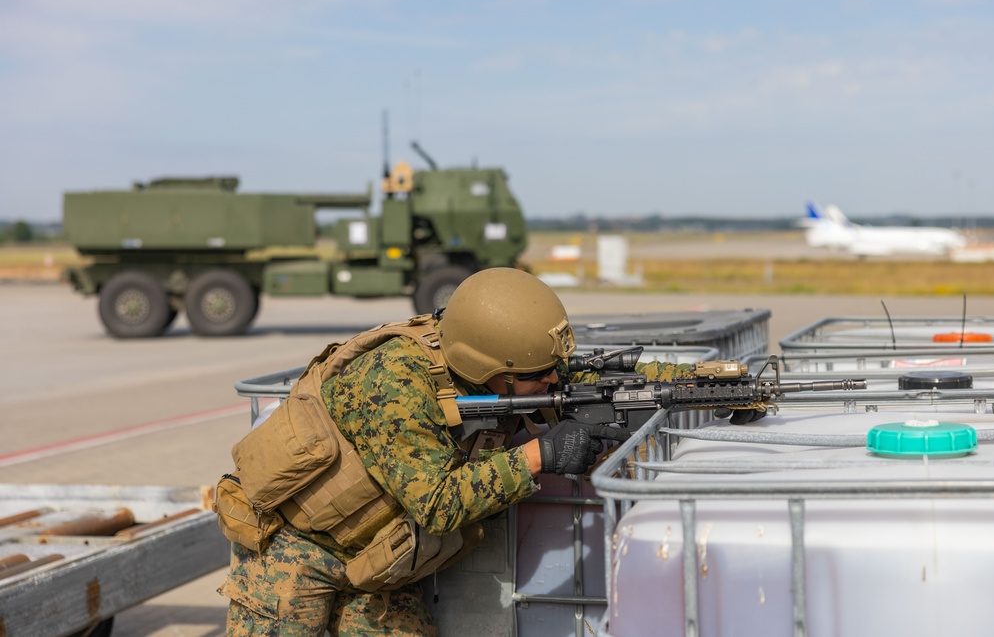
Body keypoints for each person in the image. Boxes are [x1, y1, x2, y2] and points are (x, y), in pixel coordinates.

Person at [216, 267, 687, 636]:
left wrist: (704, 382)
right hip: (293, 554)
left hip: (376, 558)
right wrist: (539, 456)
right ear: (487, 364)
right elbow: (438, 505)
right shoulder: (394, 382)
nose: (552, 382)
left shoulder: (504, 367)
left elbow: (592, 382)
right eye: (540, 374)